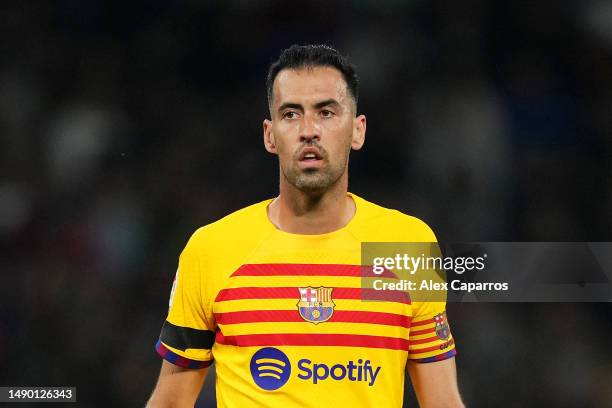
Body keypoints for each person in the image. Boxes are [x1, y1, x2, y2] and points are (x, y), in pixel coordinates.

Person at [147, 44, 463, 408]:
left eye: (326, 112)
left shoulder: (407, 244)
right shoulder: (212, 249)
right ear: (270, 135)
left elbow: (442, 401)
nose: (309, 130)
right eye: (291, 114)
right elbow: (170, 403)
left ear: (357, 131)